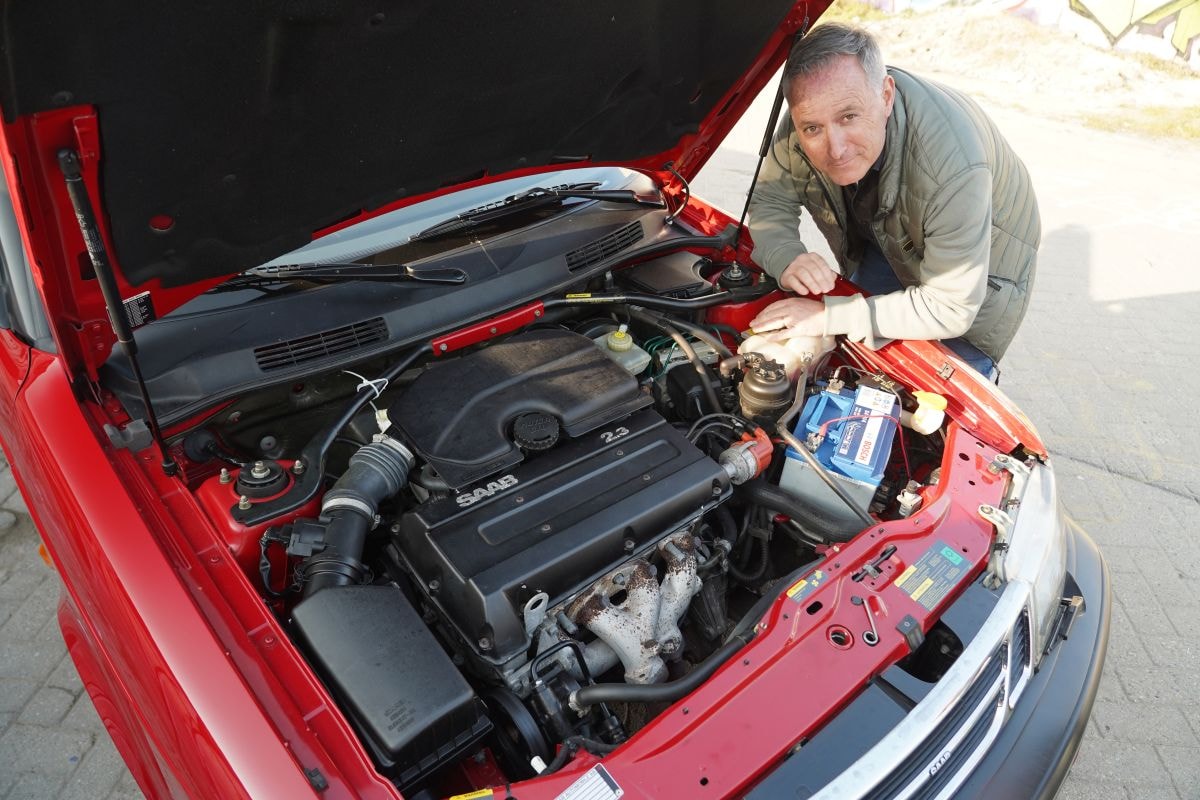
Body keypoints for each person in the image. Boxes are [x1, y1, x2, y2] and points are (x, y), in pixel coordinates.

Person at [745, 22, 1040, 379]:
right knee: (857, 363)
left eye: (849, 117)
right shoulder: (811, 113)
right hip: (888, 234)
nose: (835, 149)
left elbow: (951, 306)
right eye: (812, 129)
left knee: (941, 389)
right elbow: (769, 200)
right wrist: (785, 256)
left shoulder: (950, 166)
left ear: (886, 96)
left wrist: (828, 316)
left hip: (977, 267)